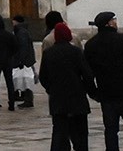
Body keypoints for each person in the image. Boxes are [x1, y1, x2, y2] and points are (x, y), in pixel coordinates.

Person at [84, 11, 123, 151]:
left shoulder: (91, 45)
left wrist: (93, 92)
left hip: (106, 93)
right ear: (108, 23)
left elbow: (87, 73)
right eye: (113, 20)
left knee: (111, 129)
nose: (116, 22)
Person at [38, 22, 94, 151]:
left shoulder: (49, 53)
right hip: (77, 98)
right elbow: (87, 74)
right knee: (80, 134)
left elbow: (43, 77)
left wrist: (51, 89)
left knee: (60, 133)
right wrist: (88, 90)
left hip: (58, 100)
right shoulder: (76, 52)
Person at [12, 15, 38, 108]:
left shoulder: (21, 32)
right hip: (26, 60)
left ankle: (28, 99)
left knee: (27, 80)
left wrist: (20, 60)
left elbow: (23, 47)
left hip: (25, 61)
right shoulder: (22, 31)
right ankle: (24, 96)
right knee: (23, 79)